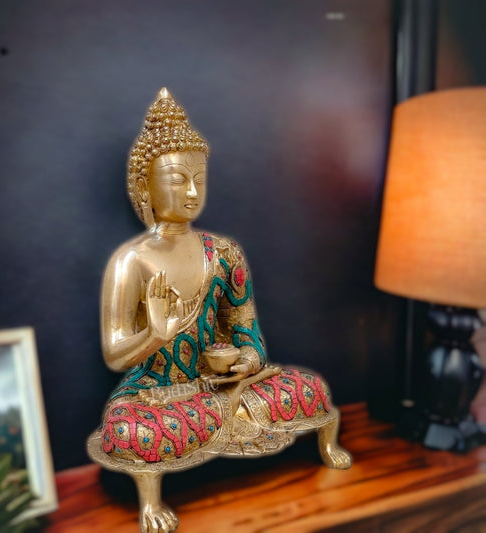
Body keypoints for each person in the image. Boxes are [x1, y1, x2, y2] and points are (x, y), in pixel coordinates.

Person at [88, 88, 351, 533]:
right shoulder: (131, 261)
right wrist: (156, 334)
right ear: (145, 184)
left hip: (223, 386)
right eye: (177, 179)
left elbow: (246, 330)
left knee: (307, 387)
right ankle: (151, 500)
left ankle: (320, 442)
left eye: (199, 178)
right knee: (134, 432)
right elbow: (115, 356)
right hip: (158, 394)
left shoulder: (224, 253)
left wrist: (246, 361)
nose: (192, 191)